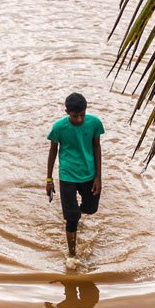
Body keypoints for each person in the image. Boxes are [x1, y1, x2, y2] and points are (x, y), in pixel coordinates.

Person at [45, 92, 104, 260]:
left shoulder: (94, 123)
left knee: (91, 209)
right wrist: (49, 179)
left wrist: (98, 177)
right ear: (67, 112)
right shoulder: (58, 128)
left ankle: (74, 213)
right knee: (71, 219)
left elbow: (97, 147)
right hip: (67, 175)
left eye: (82, 115)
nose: (79, 119)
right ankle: (72, 255)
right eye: (75, 116)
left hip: (89, 174)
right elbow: (53, 150)